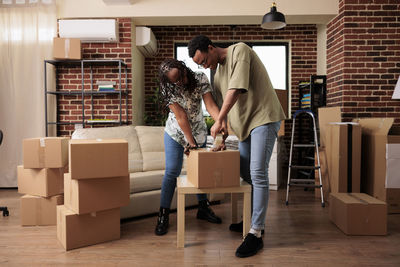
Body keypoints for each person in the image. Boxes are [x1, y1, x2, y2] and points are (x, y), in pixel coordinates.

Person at [188, 35, 286, 258]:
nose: (204, 66)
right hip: (244, 127)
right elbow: (225, 106)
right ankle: (254, 218)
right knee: (245, 172)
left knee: (258, 173)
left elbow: (236, 89)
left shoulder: (239, 51)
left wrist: (220, 119)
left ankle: (256, 232)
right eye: (199, 65)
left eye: (203, 61)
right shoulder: (217, 73)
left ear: (211, 48)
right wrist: (222, 133)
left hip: (263, 118)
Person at [155, 58, 225, 236]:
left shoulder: (200, 78)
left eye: (181, 77)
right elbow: (181, 117)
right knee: (172, 170)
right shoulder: (167, 88)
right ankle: (163, 215)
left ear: (184, 68)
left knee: (199, 171)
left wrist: (220, 121)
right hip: (176, 133)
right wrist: (190, 143)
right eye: (175, 81)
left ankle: (203, 208)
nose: (180, 82)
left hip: (199, 130)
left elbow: (209, 105)